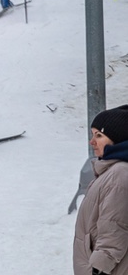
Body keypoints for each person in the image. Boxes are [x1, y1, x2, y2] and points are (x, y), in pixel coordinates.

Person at [73, 105, 128, 275]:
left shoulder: (119, 174)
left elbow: (115, 227)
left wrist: (99, 269)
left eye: (99, 135)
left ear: (117, 139)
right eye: (92, 135)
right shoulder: (111, 171)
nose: (92, 141)